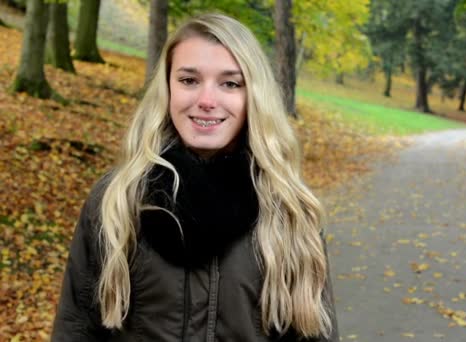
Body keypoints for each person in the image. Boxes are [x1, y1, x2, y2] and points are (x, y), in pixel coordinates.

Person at [51, 13, 339, 341]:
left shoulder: (289, 210)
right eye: (189, 80)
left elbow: (315, 332)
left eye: (230, 83)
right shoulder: (117, 199)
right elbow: (76, 327)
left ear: (253, 96)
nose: (206, 101)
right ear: (167, 88)